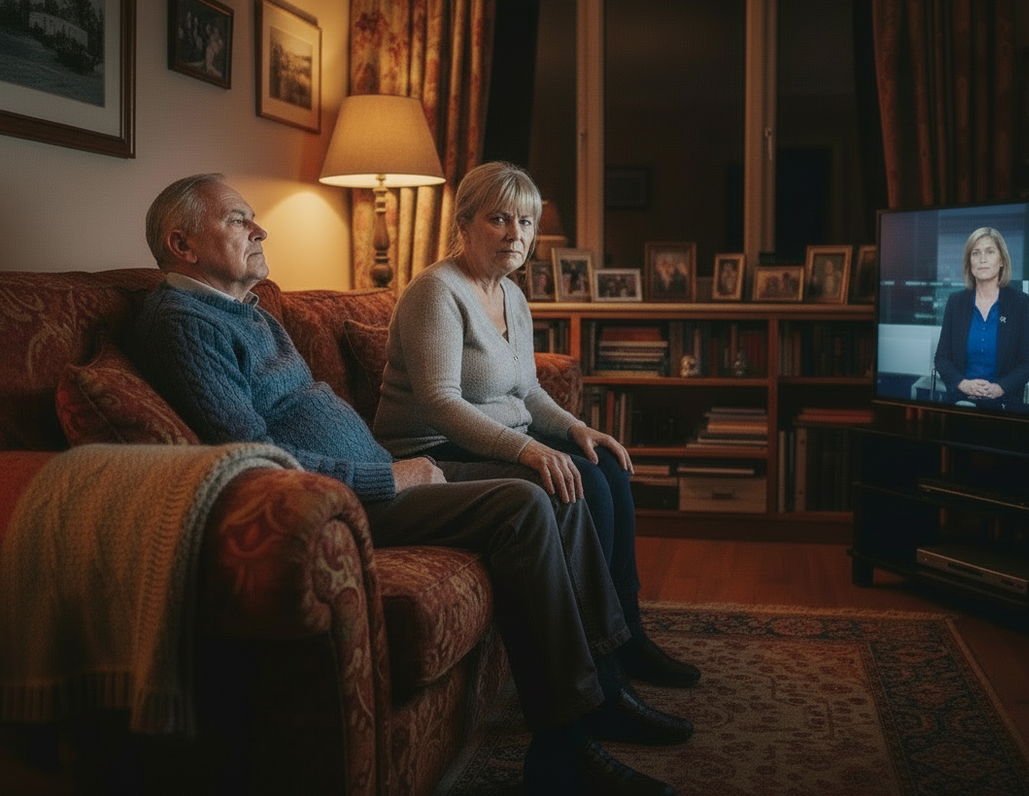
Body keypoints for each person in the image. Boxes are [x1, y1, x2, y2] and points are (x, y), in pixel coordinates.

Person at [127, 173, 687, 796]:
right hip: (343, 500)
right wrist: (384, 473)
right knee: (529, 500)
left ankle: (598, 687)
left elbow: (524, 388)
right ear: (182, 243)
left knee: (568, 483)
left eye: (253, 217)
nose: (260, 229)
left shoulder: (246, 308)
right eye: (238, 220)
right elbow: (256, 454)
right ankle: (569, 738)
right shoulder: (182, 323)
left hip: (378, 478)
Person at [373, 162, 702, 691]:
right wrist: (526, 452)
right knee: (581, 483)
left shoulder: (513, 295)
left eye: (526, 222)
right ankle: (604, 667)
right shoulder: (436, 292)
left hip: (498, 440)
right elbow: (439, 403)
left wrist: (577, 431)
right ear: (463, 225)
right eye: (498, 219)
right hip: (435, 448)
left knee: (606, 466)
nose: (515, 234)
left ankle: (631, 635)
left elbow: (528, 391)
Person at [934, 226, 1029, 407]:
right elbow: (942, 358)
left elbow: (1028, 363)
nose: (982, 259)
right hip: (961, 401)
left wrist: (1000, 388)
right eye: (975, 253)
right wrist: (963, 384)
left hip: (1004, 403)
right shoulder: (955, 302)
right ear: (969, 263)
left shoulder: (1019, 303)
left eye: (990, 252)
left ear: (1002, 260)